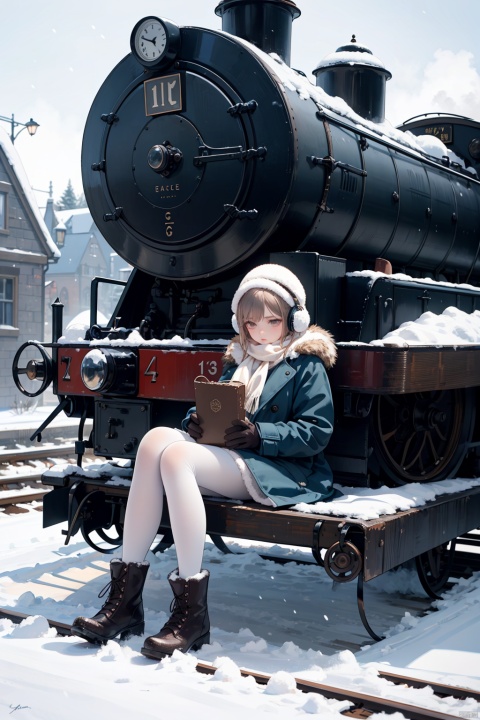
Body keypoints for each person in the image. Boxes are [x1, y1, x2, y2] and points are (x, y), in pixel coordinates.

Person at [71, 263, 337, 659]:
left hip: (280, 468)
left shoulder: (306, 364)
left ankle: (191, 615)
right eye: (251, 323)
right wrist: (194, 424)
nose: (261, 331)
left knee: (177, 457)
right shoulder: (239, 360)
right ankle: (124, 605)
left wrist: (262, 435)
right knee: (154, 441)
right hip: (230, 454)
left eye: (272, 321)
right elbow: (215, 410)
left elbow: (317, 431)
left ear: (294, 319)